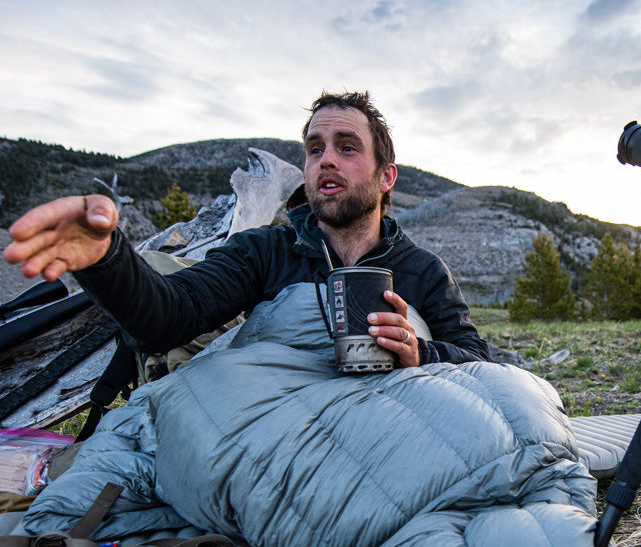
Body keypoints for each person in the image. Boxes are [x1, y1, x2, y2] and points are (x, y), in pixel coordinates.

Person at [3, 91, 491, 367]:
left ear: (387, 177)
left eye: (347, 146)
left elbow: (474, 355)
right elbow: (168, 317)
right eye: (314, 148)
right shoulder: (266, 251)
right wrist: (105, 258)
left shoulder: (422, 271)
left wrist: (418, 350)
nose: (326, 161)